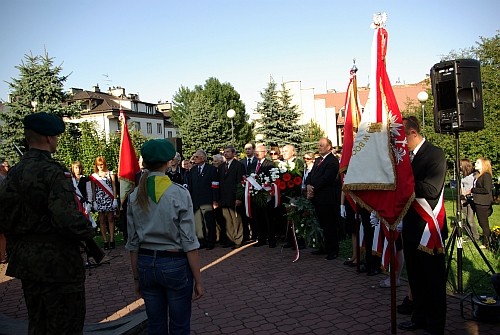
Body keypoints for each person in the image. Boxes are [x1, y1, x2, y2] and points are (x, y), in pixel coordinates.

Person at [0, 112, 95, 334]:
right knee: (66, 325)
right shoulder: (53, 172)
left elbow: (3, 216)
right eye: (56, 137)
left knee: (38, 322)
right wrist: (88, 230)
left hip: (27, 262)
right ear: (48, 138)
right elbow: (67, 218)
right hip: (58, 263)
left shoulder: (13, 174)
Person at [126, 139, 204, 335]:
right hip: (174, 263)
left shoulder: (135, 195)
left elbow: (133, 243)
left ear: (144, 164)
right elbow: (189, 241)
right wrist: (198, 280)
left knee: (155, 326)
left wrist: (136, 278)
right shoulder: (179, 193)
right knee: (179, 326)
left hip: (145, 263)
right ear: (169, 162)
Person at [398, 116, 447, 335]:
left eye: (401, 138)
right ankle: (419, 317)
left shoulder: (435, 154)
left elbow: (432, 189)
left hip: (428, 229)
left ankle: (436, 324)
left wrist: (404, 181)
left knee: (432, 280)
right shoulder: (406, 157)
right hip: (410, 227)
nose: (400, 143)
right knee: (416, 278)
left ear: (412, 133)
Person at [305, 138, 340, 260]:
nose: (319, 147)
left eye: (322, 145)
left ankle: (333, 250)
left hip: (327, 199)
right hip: (317, 198)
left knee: (329, 225)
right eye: (318, 145)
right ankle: (323, 247)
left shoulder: (332, 161)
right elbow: (310, 175)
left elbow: (326, 179)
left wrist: (312, 188)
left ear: (329, 147)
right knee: (321, 224)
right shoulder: (318, 160)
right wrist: (308, 185)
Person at [188, 149, 220, 250]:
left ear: (203, 158)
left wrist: (215, 200)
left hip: (207, 200)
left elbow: (215, 185)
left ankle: (211, 241)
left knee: (208, 222)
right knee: (198, 222)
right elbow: (191, 185)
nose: (194, 159)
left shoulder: (211, 169)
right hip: (196, 200)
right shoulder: (193, 170)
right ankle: (201, 242)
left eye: (196, 157)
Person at [218, 145, 245, 248]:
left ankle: (238, 240)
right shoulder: (221, 167)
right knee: (227, 220)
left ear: (233, 153)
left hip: (234, 197)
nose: (225, 153)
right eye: (224, 152)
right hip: (224, 198)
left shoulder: (239, 165)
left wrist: (239, 197)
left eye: (228, 152)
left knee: (236, 219)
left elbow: (240, 182)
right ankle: (230, 239)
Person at [89, 156, 118, 250]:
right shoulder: (94, 176)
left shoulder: (110, 173)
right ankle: (105, 240)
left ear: (104, 164)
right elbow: (93, 189)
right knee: (101, 220)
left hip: (109, 198)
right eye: (98, 165)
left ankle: (112, 239)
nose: (100, 166)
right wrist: (94, 201)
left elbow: (114, 186)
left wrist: (114, 199)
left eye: (102, 164)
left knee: (110, 219)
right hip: (99, 199)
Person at [252, 143, 277, 248]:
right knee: (259, 217)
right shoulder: (254, 164)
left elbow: (273, 178)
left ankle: (272, 240)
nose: (257, 154)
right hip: (257, 195)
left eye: (260, 152)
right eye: (256, 152)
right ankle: (261, 238)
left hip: (266, 195)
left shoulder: (269, 164)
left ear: (265, 153)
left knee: (269, 218)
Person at [472, 157, 494, 249]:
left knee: (484, 223)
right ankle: (487, 240)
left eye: (478, 162)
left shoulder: (486, 175)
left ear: (484, 165)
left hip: (483, 203)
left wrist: (473, 190)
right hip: (479, 202)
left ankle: (487, 243)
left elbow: (486, 189)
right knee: (482, 223)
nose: (475, 164)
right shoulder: (479, 175)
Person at [460, 158, 480, 241]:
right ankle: (470, 235)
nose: (459, 166)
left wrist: (469, 193)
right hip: (464, 200)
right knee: (466, 219)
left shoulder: (474, 175)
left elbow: (476, 186)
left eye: (461, 165)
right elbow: (462, 187)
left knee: (470, 219)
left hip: (472, 199)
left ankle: (476, 237)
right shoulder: (462, 176)